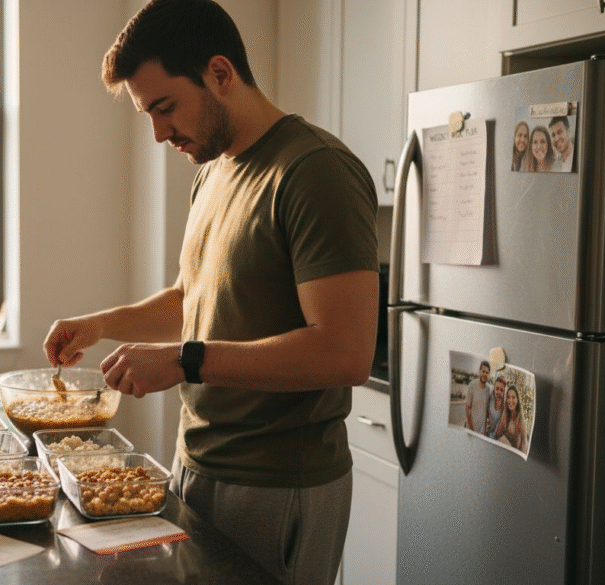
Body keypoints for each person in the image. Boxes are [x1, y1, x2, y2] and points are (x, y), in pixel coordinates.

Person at [43, 1, 378, 582]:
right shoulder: (214, 171)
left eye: (165, 107)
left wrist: (184, 361)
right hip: (197, 463)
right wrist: (99, 324)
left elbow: (343, 353)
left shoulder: (314, 170)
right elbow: (191, 301)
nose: (158, 133)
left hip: (278, 481)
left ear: (220, 74)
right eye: (148, 114)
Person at [495, 384, 527, 452]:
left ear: (517, 399)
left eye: (513, 397)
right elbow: (498, 433)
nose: (510, 400)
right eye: (508, 397)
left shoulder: (520, 419)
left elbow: (524, 443)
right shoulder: (506, 413)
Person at [464, 361, 491, 433]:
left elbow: (486, 409)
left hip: (482, 431)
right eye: (483, 371)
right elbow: (467, 408)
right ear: (479, 371)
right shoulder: (472, 385)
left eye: (487, 372)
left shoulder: (488, 389)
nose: (484, 374)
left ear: (488, 374)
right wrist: (471, 428)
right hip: (471, 429)